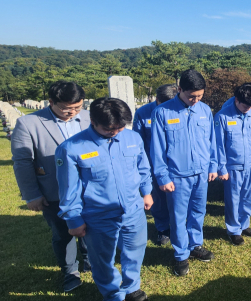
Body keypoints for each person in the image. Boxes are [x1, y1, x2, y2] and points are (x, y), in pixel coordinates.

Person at [56, 98, 153, 301]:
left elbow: (143, 168)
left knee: (135, 251)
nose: (116, 132)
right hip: (98, 215)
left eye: (120, 127)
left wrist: (146, 191)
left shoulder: (133, 137)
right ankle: (112, 293)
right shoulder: (72, 148)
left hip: (133, 210)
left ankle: (131, 287)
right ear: (92, 120)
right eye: (110, 128)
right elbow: (68, 189)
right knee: (102, 260)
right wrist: (73, 220)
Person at [11, 81, 91, 292]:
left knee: (90, 227)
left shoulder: (88, 117)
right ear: (51, 102)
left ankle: (90, 259)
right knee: (63, 233)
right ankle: (70, 271)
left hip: (89, 188)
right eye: (67, 108)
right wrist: (31, 195)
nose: (73, 113)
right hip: (54, 190)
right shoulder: (29, 123)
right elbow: (22, 161)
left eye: (77, 107)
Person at [150, 70, 217, 277]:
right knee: (179, 216)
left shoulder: (205, 110)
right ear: (179, 90)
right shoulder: (162, 112)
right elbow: (157, 148)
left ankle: (196, 244)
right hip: (177, 176)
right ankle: (180, 254)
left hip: (201, 173)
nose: (195, 100)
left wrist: (213, 165)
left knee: (198, 211)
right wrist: (163, 176)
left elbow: (211, 141)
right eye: (191, 96)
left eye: (199, 96)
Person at [215, 83, 251, 246]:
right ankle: (234, 230)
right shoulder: (222, 116)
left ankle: (244, 224)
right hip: (232, 167)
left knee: (248, 197)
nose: (248, 109)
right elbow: (219, 146)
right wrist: (222, 168)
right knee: (233, 199)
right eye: (245, 105)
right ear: (236, 100)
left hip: (250, 164)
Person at [132, 84, 178, 246]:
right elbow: (138, 142)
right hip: (153, 164)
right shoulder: (143, 113)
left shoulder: (177, 109)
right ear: (157, 99)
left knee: (177, 198)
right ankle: (163, 228)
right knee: (158, 199)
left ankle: (178, 226)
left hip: (175, 164)